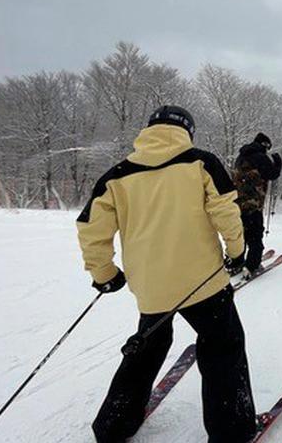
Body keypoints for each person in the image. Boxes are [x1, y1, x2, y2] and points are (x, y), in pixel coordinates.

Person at [77, 105, 257, 442]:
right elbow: (226, 210)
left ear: (149, 130)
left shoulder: (116, 176)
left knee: (147, 347)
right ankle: (232, 432)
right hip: (204, 283)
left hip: (151, 287)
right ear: (187, 131)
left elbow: (91, 229)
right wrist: (236, 252)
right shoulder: (201, 162)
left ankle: (112, 426)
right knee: (223, 347)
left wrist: (105, 274)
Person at [233, 132, 282, 274]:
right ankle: (252, 266)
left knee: (239, 234)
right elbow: (272, 174)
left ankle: (235, 262)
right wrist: (278, 162)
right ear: (265, 145)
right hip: (253, 204)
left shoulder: (240, 157)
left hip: (236, 203)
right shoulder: (260, 157)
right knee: (255, 235)